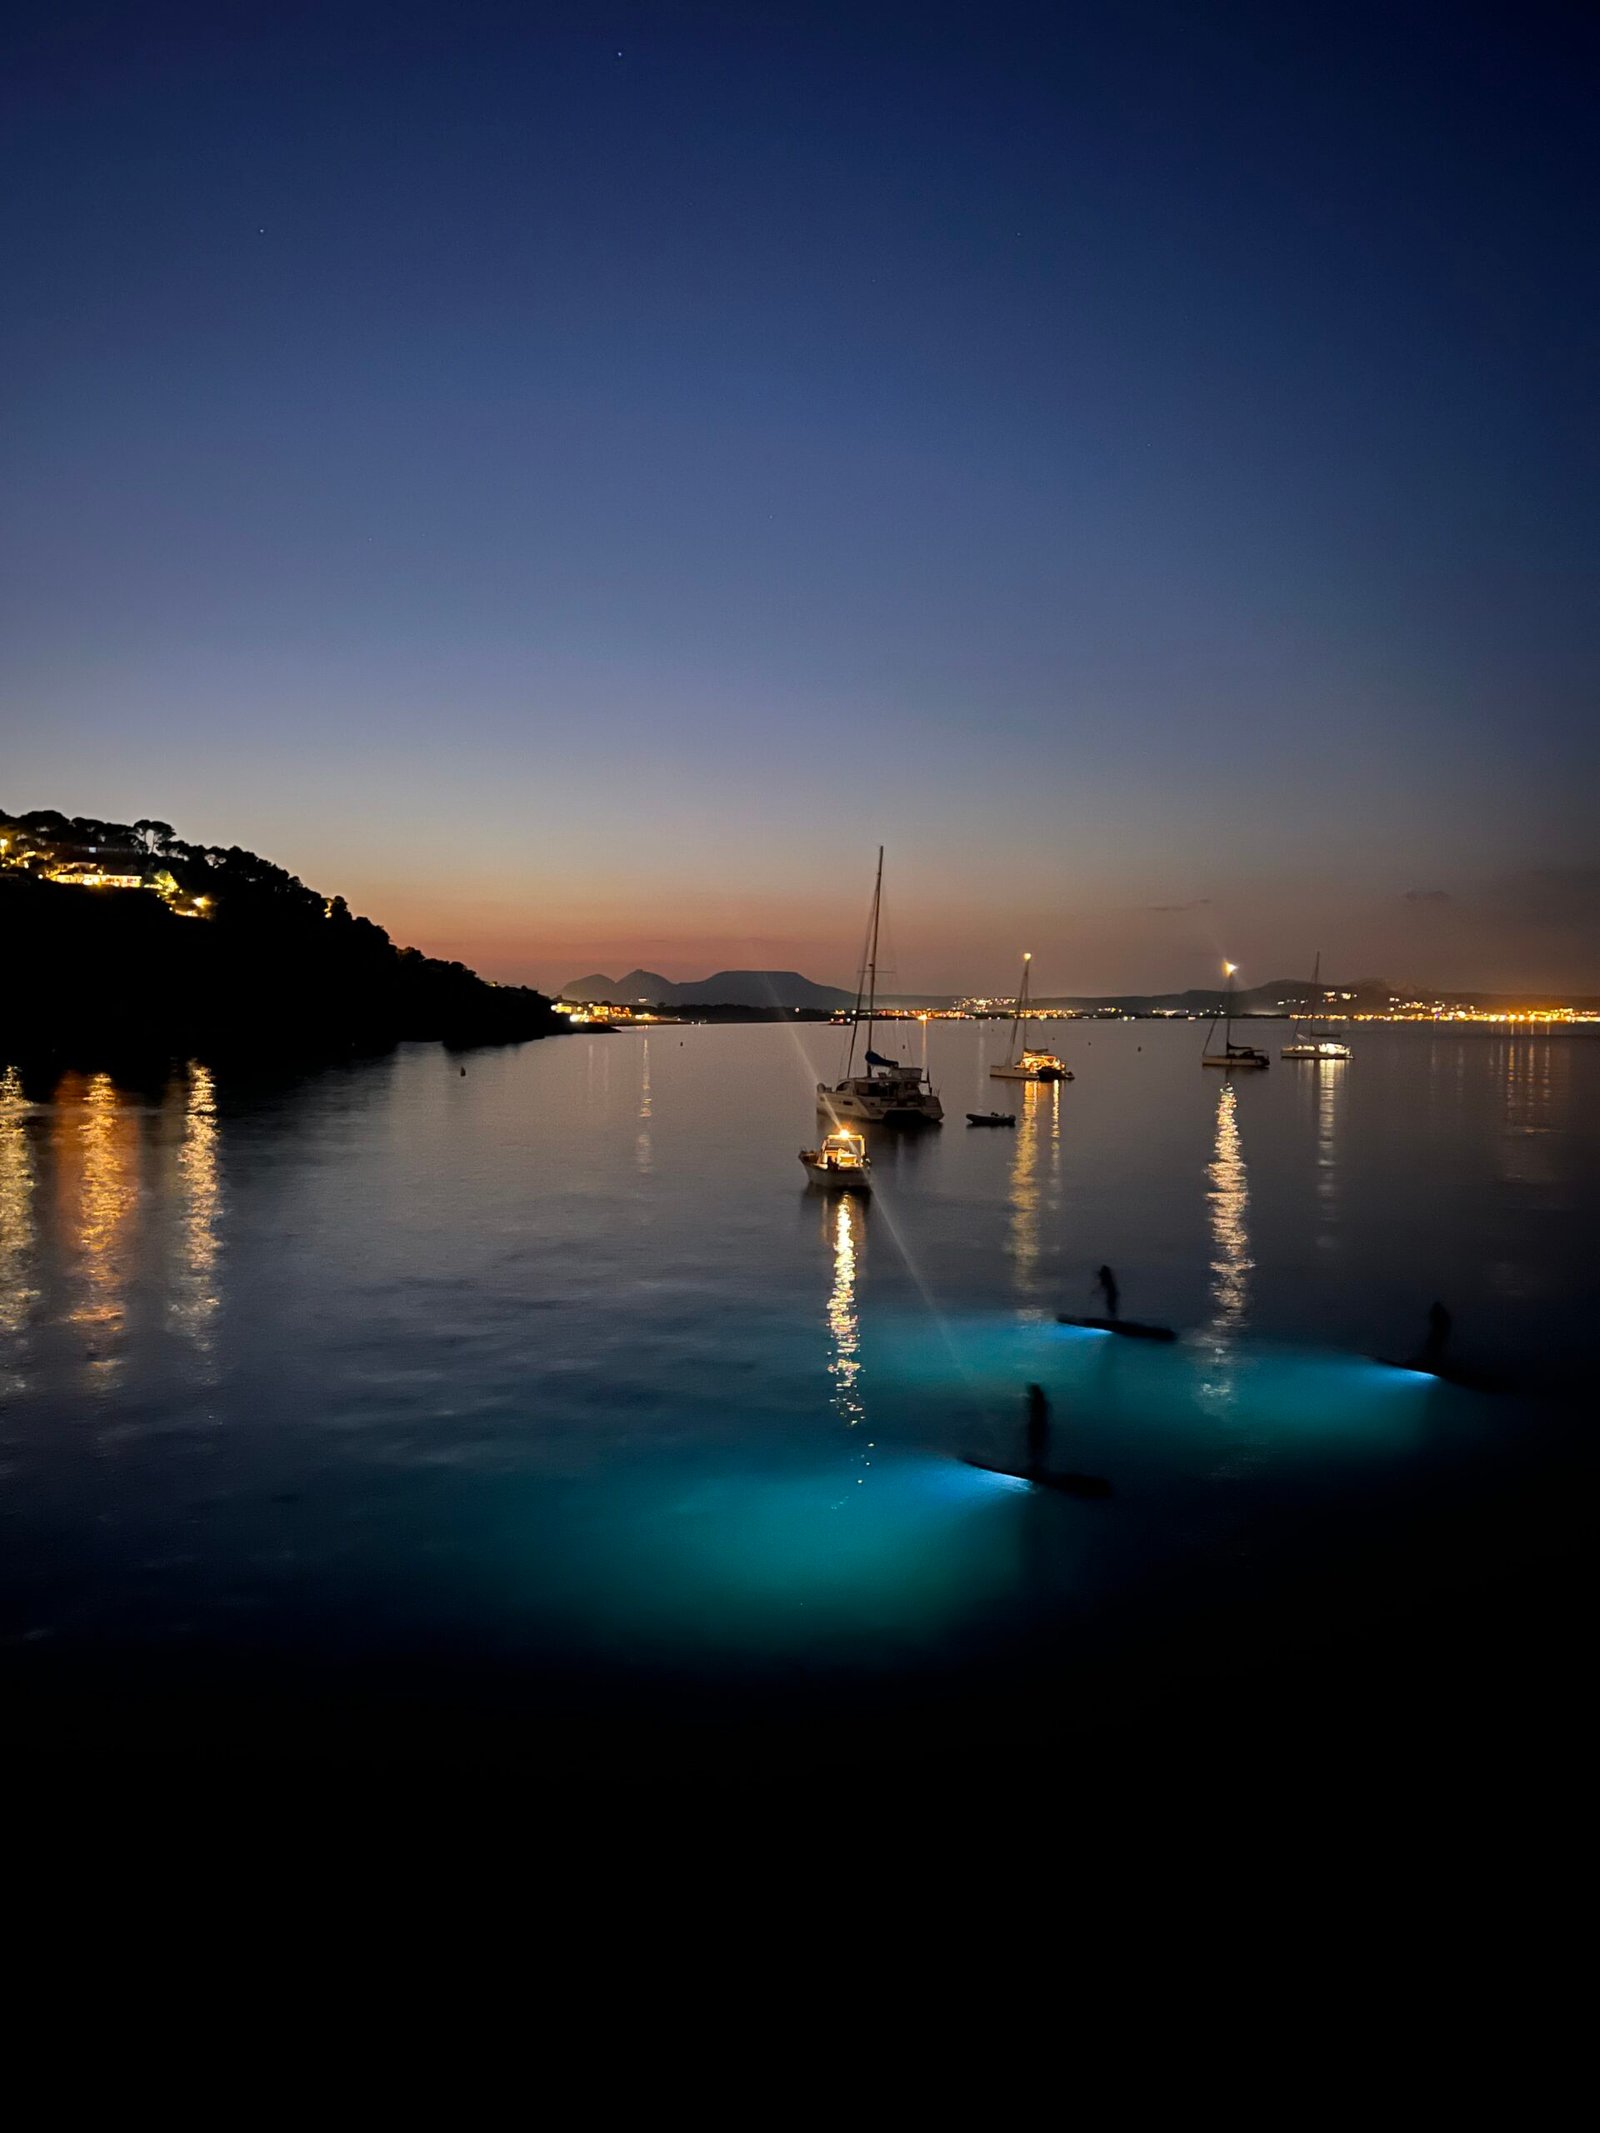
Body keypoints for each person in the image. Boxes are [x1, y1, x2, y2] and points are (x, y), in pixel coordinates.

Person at [1025, 1382, 1050, 1478]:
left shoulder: (1036, 1402)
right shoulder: (1041, 1402)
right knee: (1038, 1447)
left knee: (1035, 1446)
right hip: (1040, 1426)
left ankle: (1036, 1467)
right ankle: (1037, 1467)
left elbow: (1035, 1415)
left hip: (1036, 1426)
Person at [1420, 1300, 1452, 1369]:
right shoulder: (1442, 1317)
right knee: (1435, 1347)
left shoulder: (1439, 1317)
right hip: (1439, 1333)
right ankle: (1432, 1362)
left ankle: (1431, 1362)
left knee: (1434, 1346)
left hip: (1438, 1333)